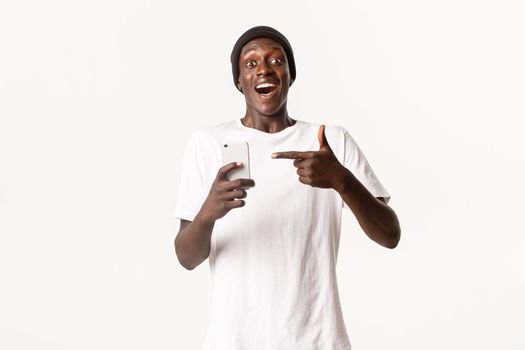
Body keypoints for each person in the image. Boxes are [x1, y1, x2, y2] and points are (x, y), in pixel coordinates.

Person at [173, 25, 401, 350]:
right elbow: (186, 257)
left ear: (290, 75)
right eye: (250, 63)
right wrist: (208, 214)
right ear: (239, 82)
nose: (264, 68)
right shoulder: (207, 144)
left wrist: (341, 180)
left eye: (276, 61)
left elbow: (389, 234)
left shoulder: (330, 141)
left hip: (319, 341)